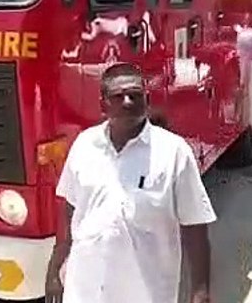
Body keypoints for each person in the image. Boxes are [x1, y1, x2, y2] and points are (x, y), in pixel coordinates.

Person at [45, 63, 216, 303]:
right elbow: (71, 208)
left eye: (135, 95)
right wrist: (56, 267)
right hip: (85, 290)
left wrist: (200, 291)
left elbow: (195, 225)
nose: (127, 102)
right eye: (118, 96)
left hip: (146, 293)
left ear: (147, 99)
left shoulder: (174, 152)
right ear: (103, 105)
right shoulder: (84, 144)